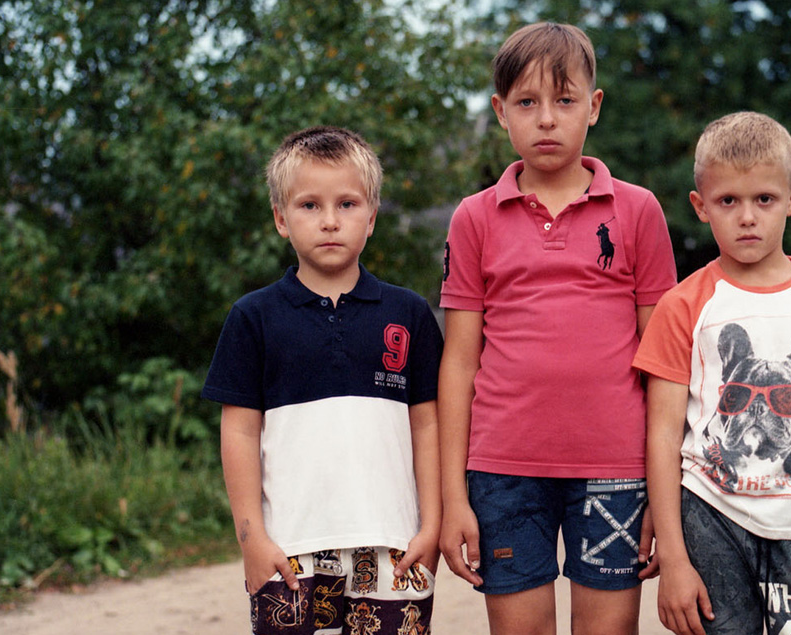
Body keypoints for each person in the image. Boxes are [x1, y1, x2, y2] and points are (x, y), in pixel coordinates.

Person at [437, 22, 678, 635]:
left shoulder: (638, 210)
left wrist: (664, 490)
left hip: (617, 468)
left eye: (564, 101)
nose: (547, 119)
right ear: (500, 112)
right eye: (527, 102)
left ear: (593, 107)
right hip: (502, 469)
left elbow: (666, 363)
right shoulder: (473, 218)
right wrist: (452, 497)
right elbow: (460, 361)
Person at [634, 111, 791, 635]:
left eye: (764, 200)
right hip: (709, 517)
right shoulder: (682, 306)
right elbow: (662, 433)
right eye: (728, 201)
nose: (747, 217)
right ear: (701, 207)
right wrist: (676, 562)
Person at [202, 126, 443, 635]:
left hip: (394, 547)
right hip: (290, 552)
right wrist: (251, 539)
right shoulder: (253, 317)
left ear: (372, 217)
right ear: (280, 219)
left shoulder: (410, 314)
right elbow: (240, 433)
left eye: (348, 204)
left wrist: (432, 524)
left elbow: (427, 426)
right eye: (309, 205)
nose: (330, 221)